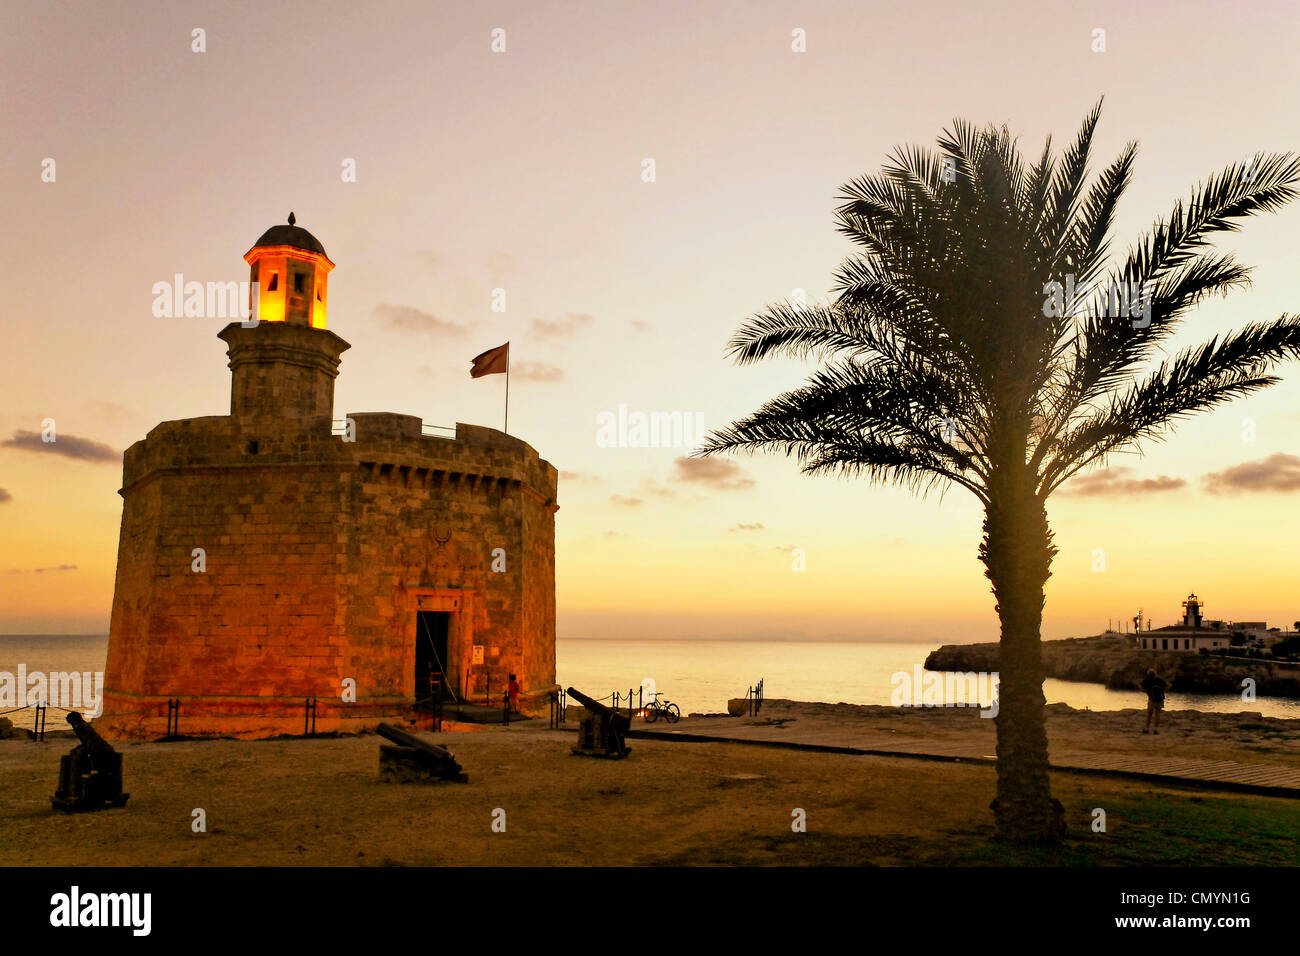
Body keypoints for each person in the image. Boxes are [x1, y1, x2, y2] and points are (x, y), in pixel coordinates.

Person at [1141, 668, 1167, 734]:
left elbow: (1140, 686)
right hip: (1160, 699)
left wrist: (1147, 692)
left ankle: (1147, 728)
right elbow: (1169, 685)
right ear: (1155, 674)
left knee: (1149, 715)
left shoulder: (1147, 680)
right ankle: (1156, 729)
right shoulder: (1159, 680)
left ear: (1148, 674)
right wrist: (1163, 691)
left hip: (1151, 699)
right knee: (1157, 715)